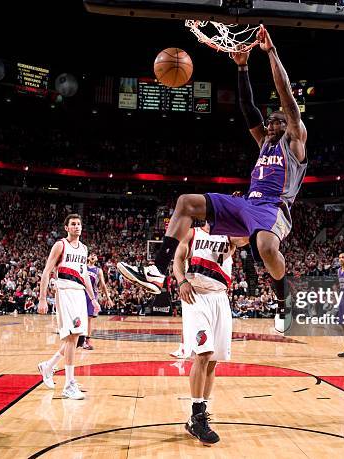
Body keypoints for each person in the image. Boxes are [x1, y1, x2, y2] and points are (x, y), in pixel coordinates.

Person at [118, 26, 307, 334]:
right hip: (248, 205)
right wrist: (243, 66)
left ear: (287, 125)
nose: (269, 124)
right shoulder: (264, 143)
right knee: (186, 203)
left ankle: (285, 300)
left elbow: (285, 93)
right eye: (269, 121)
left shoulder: (295, 141)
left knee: (265, 246)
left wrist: (270, 52)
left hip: (274, 209)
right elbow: (248, 109)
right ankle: (156, 269)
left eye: (276, 121)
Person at [173, 221, 247, 445]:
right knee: (203, 354)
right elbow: (177, 259)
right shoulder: (192, 233)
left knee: (213, 360)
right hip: (196, 296)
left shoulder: (229, 236)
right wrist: (181, 280)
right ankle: (197, 414)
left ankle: (199, 415)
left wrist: (242, 211)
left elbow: (248, 236)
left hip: (220, 297)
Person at [36, 214, 100, 400]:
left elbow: (85, 275)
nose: (77, 227)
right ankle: (69, 384)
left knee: (76, 338)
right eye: (73, 224)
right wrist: (42, 298)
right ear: (66, 227)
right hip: (64, 292)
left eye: (79, 224)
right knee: (71, 338)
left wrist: (93, 298)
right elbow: (47, 271)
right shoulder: (60, 245)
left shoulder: (84, 249)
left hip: (79, 293)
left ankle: (48, 366)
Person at [82, 253, 114, 350]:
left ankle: (87, 341)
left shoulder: (98, 270)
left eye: (95, 255)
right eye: (91, 254)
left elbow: (103, 285)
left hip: (92, 296)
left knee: (88, 319)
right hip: (81, 293)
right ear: (87, 257)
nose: (93, 256)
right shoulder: (83, 267)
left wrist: (108, 298)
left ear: (96, 259)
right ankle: (78, 339)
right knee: (80, 317)